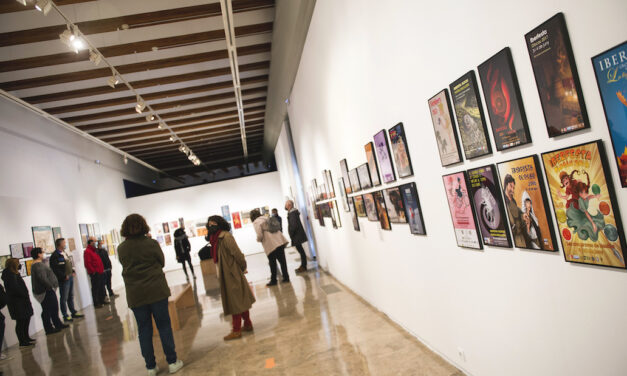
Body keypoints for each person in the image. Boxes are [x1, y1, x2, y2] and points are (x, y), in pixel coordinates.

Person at [118, 214, 183, 376]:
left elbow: (125, 264)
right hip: (156, 290)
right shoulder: (151, 243)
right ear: (143, 225)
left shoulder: (122, 248)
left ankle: (150, 367)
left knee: (144, 330)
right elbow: (161, 262)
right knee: (164, 326)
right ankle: (173, 362)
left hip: (135, 294)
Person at [206, 215, 256, 340]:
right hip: (225, 272)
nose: (210, 226)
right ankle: (248, 324)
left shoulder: (225, 236)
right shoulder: (215, 239)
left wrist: (243, 267)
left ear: (219, 224)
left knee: (235, 301)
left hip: (232, 272)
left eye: (213, 224)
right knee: (239, 299)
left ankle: (236, 330)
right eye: (209, 224)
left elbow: (237, 254)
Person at [30, 247, 68, 335]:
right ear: (38, 254)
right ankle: (49, 328)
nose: (44, 254)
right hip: (45, 291)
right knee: (47, 310)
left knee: (54, 308)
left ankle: (57, 324)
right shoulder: (38, 265)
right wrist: (50, 287)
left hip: (47, 290)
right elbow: (42, 278)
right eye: (42, 252)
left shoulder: (39, 264)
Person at [251, 209, 290, 286]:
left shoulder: (256, 222)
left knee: (272, 263)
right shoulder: (266, 218)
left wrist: (258, 240)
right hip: (279, 240)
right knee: (282, 261)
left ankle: (273, 280)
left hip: (271, 244)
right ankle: (286, 277)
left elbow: (259, 234)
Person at [49, 238, 84, 322]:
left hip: (70, 276)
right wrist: (63, 276)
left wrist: (72, 271)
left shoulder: (64, 253)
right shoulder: (55, 256)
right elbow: (55, 269)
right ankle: (65, 315)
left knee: (70, 296)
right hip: (64, 279)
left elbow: (69, 263)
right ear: (60, 244)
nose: (65, 244)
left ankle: (73, 312)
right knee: (64, 297)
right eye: (64, 243)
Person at [1, 258, 34, 347]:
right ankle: (22, 341)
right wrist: (23, 294)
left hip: (22, 300)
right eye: (18, 263)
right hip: (17, 302)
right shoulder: (9, 275)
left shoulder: (14, 274)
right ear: (13, 264)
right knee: (21, 321)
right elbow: (15, 289)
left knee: (26, 319)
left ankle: (26, 337)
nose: (19, 265)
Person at [503, 174, 531, 248]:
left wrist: (523, 215)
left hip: (520, 236)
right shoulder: (503, 201)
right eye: (510, 186)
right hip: (513, 238)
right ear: (506, 185)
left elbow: (517, 212)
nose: (512, 189)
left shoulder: (513, 201)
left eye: (513, 187)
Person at [285, 200, 309, 273]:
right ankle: (303, 266)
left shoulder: (292, 213)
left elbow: (294, 225)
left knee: (301, 251)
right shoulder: (292, 213)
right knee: (301, 250)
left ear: (289, 205)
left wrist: (291, 233)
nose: (285, 206)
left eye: (286, 204)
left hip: (296, 235)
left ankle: (303, 266)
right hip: (297, 235)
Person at [84, 237, 106, 308]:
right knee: (95, 288)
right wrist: (93, 271)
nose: (96, 243)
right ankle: (96, 303)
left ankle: (101, 300)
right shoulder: (87, 251)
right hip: (95, 273)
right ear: (91, 242)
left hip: (100, 271)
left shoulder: (94, 250)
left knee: (101, 287)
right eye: (94, 241)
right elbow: (87, 263)